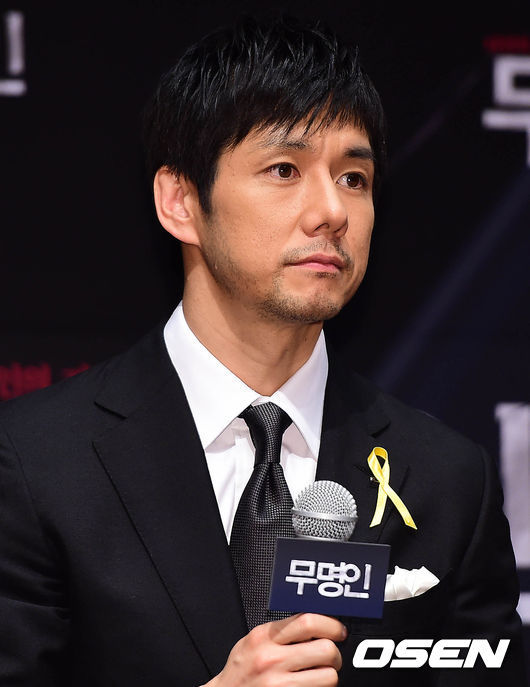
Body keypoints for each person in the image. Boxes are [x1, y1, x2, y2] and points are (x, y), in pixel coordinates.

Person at [0, 15, 524, 687]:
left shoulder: (448, 480)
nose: (332, 210)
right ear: (181, 201)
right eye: (284, 169)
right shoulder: (36, 462)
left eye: (354, 177)